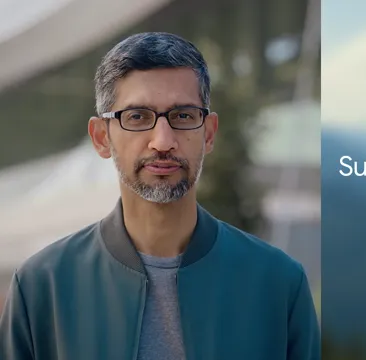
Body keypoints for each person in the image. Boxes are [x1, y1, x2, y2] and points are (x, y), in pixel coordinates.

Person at [0, 32, 320, 360]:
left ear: (208, 133)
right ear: (101, 138)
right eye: (138, 117)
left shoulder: (279, 285)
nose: (163, 141)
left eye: (183, 116)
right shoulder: (43, 287)